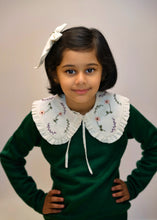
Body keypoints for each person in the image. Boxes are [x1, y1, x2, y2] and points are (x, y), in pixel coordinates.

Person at [0, 23, 157, 220]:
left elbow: (154, 144)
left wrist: (133, 186)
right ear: (55, 73)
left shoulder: (119, 110)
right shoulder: (43, 114)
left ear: (104, 71)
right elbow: (10, 157)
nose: (81, 80)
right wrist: (37, 200)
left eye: (90, 70)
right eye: (70, 71)